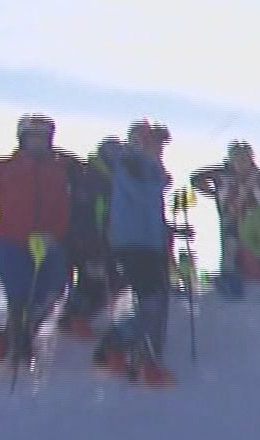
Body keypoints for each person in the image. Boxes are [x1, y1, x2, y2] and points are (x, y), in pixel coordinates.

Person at [0, 113, 73, 364]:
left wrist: (57, 234)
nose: (38, 142)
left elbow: (65, 208)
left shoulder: (60, 170)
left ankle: (12, 336)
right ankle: (20, 348)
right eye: (33, 137)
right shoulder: (1, 167)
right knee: (18, 296)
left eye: (43, 137)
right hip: (11, 241)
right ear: (22, 138)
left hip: (49, 244)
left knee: (51, 292)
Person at [93, 120, 178, 387]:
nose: (158, 148)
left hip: (150, 244)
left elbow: (148, 206)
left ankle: (133, 352)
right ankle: (124, 349)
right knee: (152, 302)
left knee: (158, 302)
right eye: (153, 142)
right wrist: (157, 170)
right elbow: (142, 194)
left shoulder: (147, 166)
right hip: (133, 245)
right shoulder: (132, 163)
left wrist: (168, 230)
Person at [189, 140, 260, 298]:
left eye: (245, 157)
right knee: (230, 248)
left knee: (252, 249)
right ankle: (228, 278)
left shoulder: (259, 176)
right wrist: (212, 192)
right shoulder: (222, 175)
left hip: (254, 221)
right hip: (230, 218)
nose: (241, 162)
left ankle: (251, 275)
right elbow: (196, 178)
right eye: (237, 157)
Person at [59, 137, 120, 337]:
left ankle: (74, 316)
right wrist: (92, 240)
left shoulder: (102, 178)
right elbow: (85, 212)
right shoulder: (94, 179)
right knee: (96, 279)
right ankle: (76, 317)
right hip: (87, 240)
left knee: (99, 279)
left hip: (88, 239)